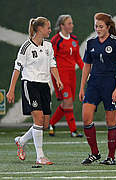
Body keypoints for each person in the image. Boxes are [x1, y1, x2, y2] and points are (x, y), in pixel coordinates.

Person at [7, 17, 63, 165]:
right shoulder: (26, 47)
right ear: (39, 29)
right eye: (48, 28)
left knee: (45, 124)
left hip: (45, 86)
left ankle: (21, 140)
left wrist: (58, 79)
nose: (50, 30)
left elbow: (52, 64)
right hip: (30, 85)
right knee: (38, 120)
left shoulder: (48, 46)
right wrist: (11, 90)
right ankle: (40, 157)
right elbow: (17, 68)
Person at [79, 13, 116, 165]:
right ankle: (95, 153)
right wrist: (82, 88)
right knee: (86, 117)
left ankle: (111, 157)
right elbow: (86, 66)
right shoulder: (91, 43)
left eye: (101, 26)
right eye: (96, 26)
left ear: (108, 27)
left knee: (110, 121)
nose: (98, 29)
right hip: (93, 84)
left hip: (109, 84)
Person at [49, 14, 84, 137]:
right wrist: (55, 76)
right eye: (69, 23)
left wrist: (86, 71)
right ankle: (73, 131)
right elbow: (50, 59)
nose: (72, 25)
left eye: (72, 23)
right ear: (62, 25)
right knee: (68, 102)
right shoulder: (55, 40)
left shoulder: (74, 39)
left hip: (71, 75)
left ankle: (51, 123)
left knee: (67, 103)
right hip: (60, 75)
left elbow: (77, 58)